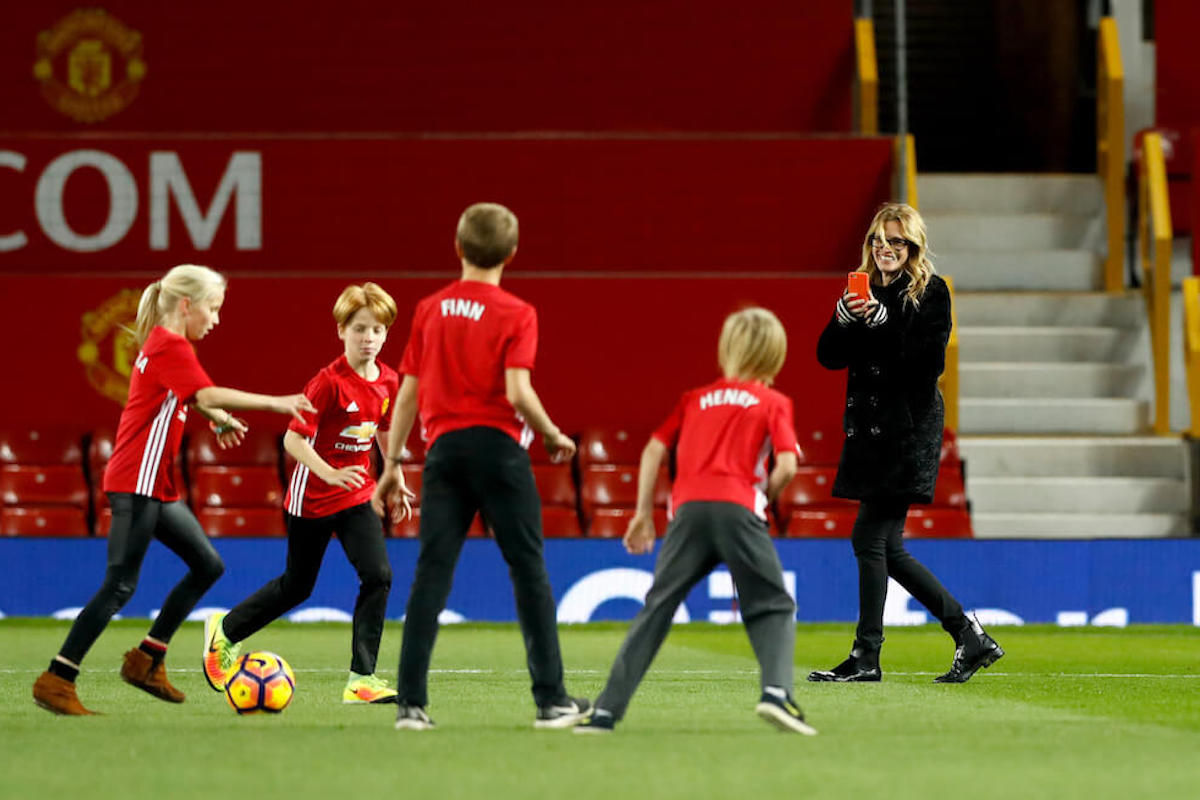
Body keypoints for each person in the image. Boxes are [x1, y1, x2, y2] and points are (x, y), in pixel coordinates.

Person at [32, 264, 315, 716]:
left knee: (207, 564)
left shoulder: (162, 346)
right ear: (187, 305)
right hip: (135, 482)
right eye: (213, 308)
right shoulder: (170, 344)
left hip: (154, 485)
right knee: (119, 587)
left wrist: (218, 420)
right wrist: (275, 402)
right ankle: (57, 678)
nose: (216, 319)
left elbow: (180, 397)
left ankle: (147, 659)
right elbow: (202, 394)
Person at [373, 202, 590, 731]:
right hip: (498, 451)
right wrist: (555, 433)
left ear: (457, 247)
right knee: (529, 571)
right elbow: (518, 390)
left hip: (444, 452)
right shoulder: (518, 313)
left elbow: (407, 395)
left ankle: (411, 706)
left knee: (431, 573)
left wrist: (393, 462)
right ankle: (550, 701)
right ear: (512, 254)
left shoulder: (428, 309)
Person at [575, 307, 816, 735]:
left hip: (686, 513)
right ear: (776, 355)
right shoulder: (774, 402)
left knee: (656, 610)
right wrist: (765, 498)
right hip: (739, 508)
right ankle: (777, 694)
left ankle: (606, 711)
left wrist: (643, 514)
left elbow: (652, 449)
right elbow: (787, 466)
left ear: (726, 348)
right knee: (773, 605)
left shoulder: (694, 398)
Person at [808, 202, 1004, 685]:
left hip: (906, 430)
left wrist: (880, 324)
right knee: (885, 545)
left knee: (870, 539)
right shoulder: (864, 290)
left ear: (913, 247)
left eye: (896, 242)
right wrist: (843, 318)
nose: (885, 249)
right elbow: (827, 356)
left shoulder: (932, 294)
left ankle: (867, 656)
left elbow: (926, 366)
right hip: (870, 430)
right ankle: (967, 635)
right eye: (878, 240)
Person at [202, 283, 412, 705]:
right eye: (359, 329)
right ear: (341, 330)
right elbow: (293, 442)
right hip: (312, 496)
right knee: (298, 586)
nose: (368, 338)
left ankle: (361, 680)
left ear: (387, 334)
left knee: (379, 576)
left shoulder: (389, 381)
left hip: (358, 495)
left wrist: (395, 474)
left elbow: (384, 430)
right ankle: (225, 630)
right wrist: (330, 473)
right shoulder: (327, 383)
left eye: (377, 330)